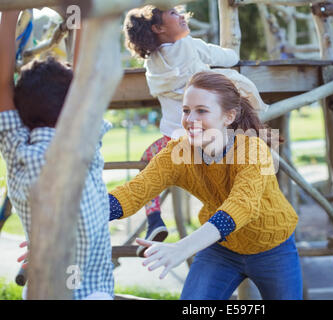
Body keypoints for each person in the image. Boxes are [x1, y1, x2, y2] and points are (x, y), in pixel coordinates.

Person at [109, 71, 302, 300]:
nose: (190, 120)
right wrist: (88, 212)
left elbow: (242, 206)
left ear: (228, 116)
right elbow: (134, 192)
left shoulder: (252, 150)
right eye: (186, 110)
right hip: (221, 248)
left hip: (273, 247)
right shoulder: (177, 153)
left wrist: (183, 248)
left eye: (202, 111)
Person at [122, 6, 268, 256]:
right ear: (158, 28)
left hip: (176, 140)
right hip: (212, 136)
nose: (182, 16)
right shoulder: (188, 46)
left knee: (149, 161)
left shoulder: (152, 64)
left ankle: (155, 218)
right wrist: (232, 56)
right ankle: (230, 222)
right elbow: (223, 56)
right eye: (174, 14)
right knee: (235, 172)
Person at [0, 11, 114, 300]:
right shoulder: (83, 139)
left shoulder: (18, 152)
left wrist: (10, 13)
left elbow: (2, 86)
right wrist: (83, 13)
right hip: (91, 293)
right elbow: (85, 74)